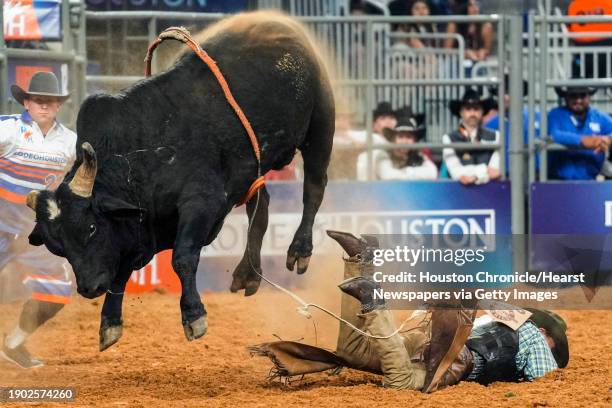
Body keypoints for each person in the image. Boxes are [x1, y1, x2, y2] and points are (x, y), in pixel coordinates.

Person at [250, 231, 568, 390]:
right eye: (554, 345)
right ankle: (373, 300)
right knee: (401, 383)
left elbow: (474, 301)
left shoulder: (497, 315)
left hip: (429, 338)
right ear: (544, 333)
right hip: (451, 360)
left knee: (354, 351)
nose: (551, 351)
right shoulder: (533, 335)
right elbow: (546, 380)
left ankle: (359, 262)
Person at [0, 71, 77, 368]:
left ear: (58, 106)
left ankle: (13, 343)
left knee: (58, 292)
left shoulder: (70, 142)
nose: (44, 105)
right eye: (37, 100)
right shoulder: (8, 130)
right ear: (27, 103)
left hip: (35, 235)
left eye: (50, 101)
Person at [548, 84, 612, 180]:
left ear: (589, 97)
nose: (578, 100)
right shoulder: (555, 114)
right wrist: (583, 140)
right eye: (573, 96)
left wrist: (608, 139)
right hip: (558, 180)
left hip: (590, 180)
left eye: (582, 95)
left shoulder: (599, 116)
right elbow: (554, 133)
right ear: (566, 97)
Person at [356, 109, 438, 180]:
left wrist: (407, 171)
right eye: (401, 137)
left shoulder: (418, 156)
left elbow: (432, 172)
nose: (405, 141)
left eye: (409, 137)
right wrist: (414, 174)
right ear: (394, 140)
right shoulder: (383, 154)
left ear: (414, 141)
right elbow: (388, 176)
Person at [482, 75, 541, 174]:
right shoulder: (490, 125)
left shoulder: (538, 118)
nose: (506, 97)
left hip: (535, 175)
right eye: (502, 92)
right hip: (503, 178)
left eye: (510, 92)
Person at [443, 88, 500, 185]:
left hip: (489, 191)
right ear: (461, 112)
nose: (472, 113)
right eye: (468, 109)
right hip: (458, 193)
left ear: (482, 112)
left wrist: (473, 177)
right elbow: (455, 172)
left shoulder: (495, 136)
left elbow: (495, 171)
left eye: (476, 109)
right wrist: (484, 169)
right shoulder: (448, 138)